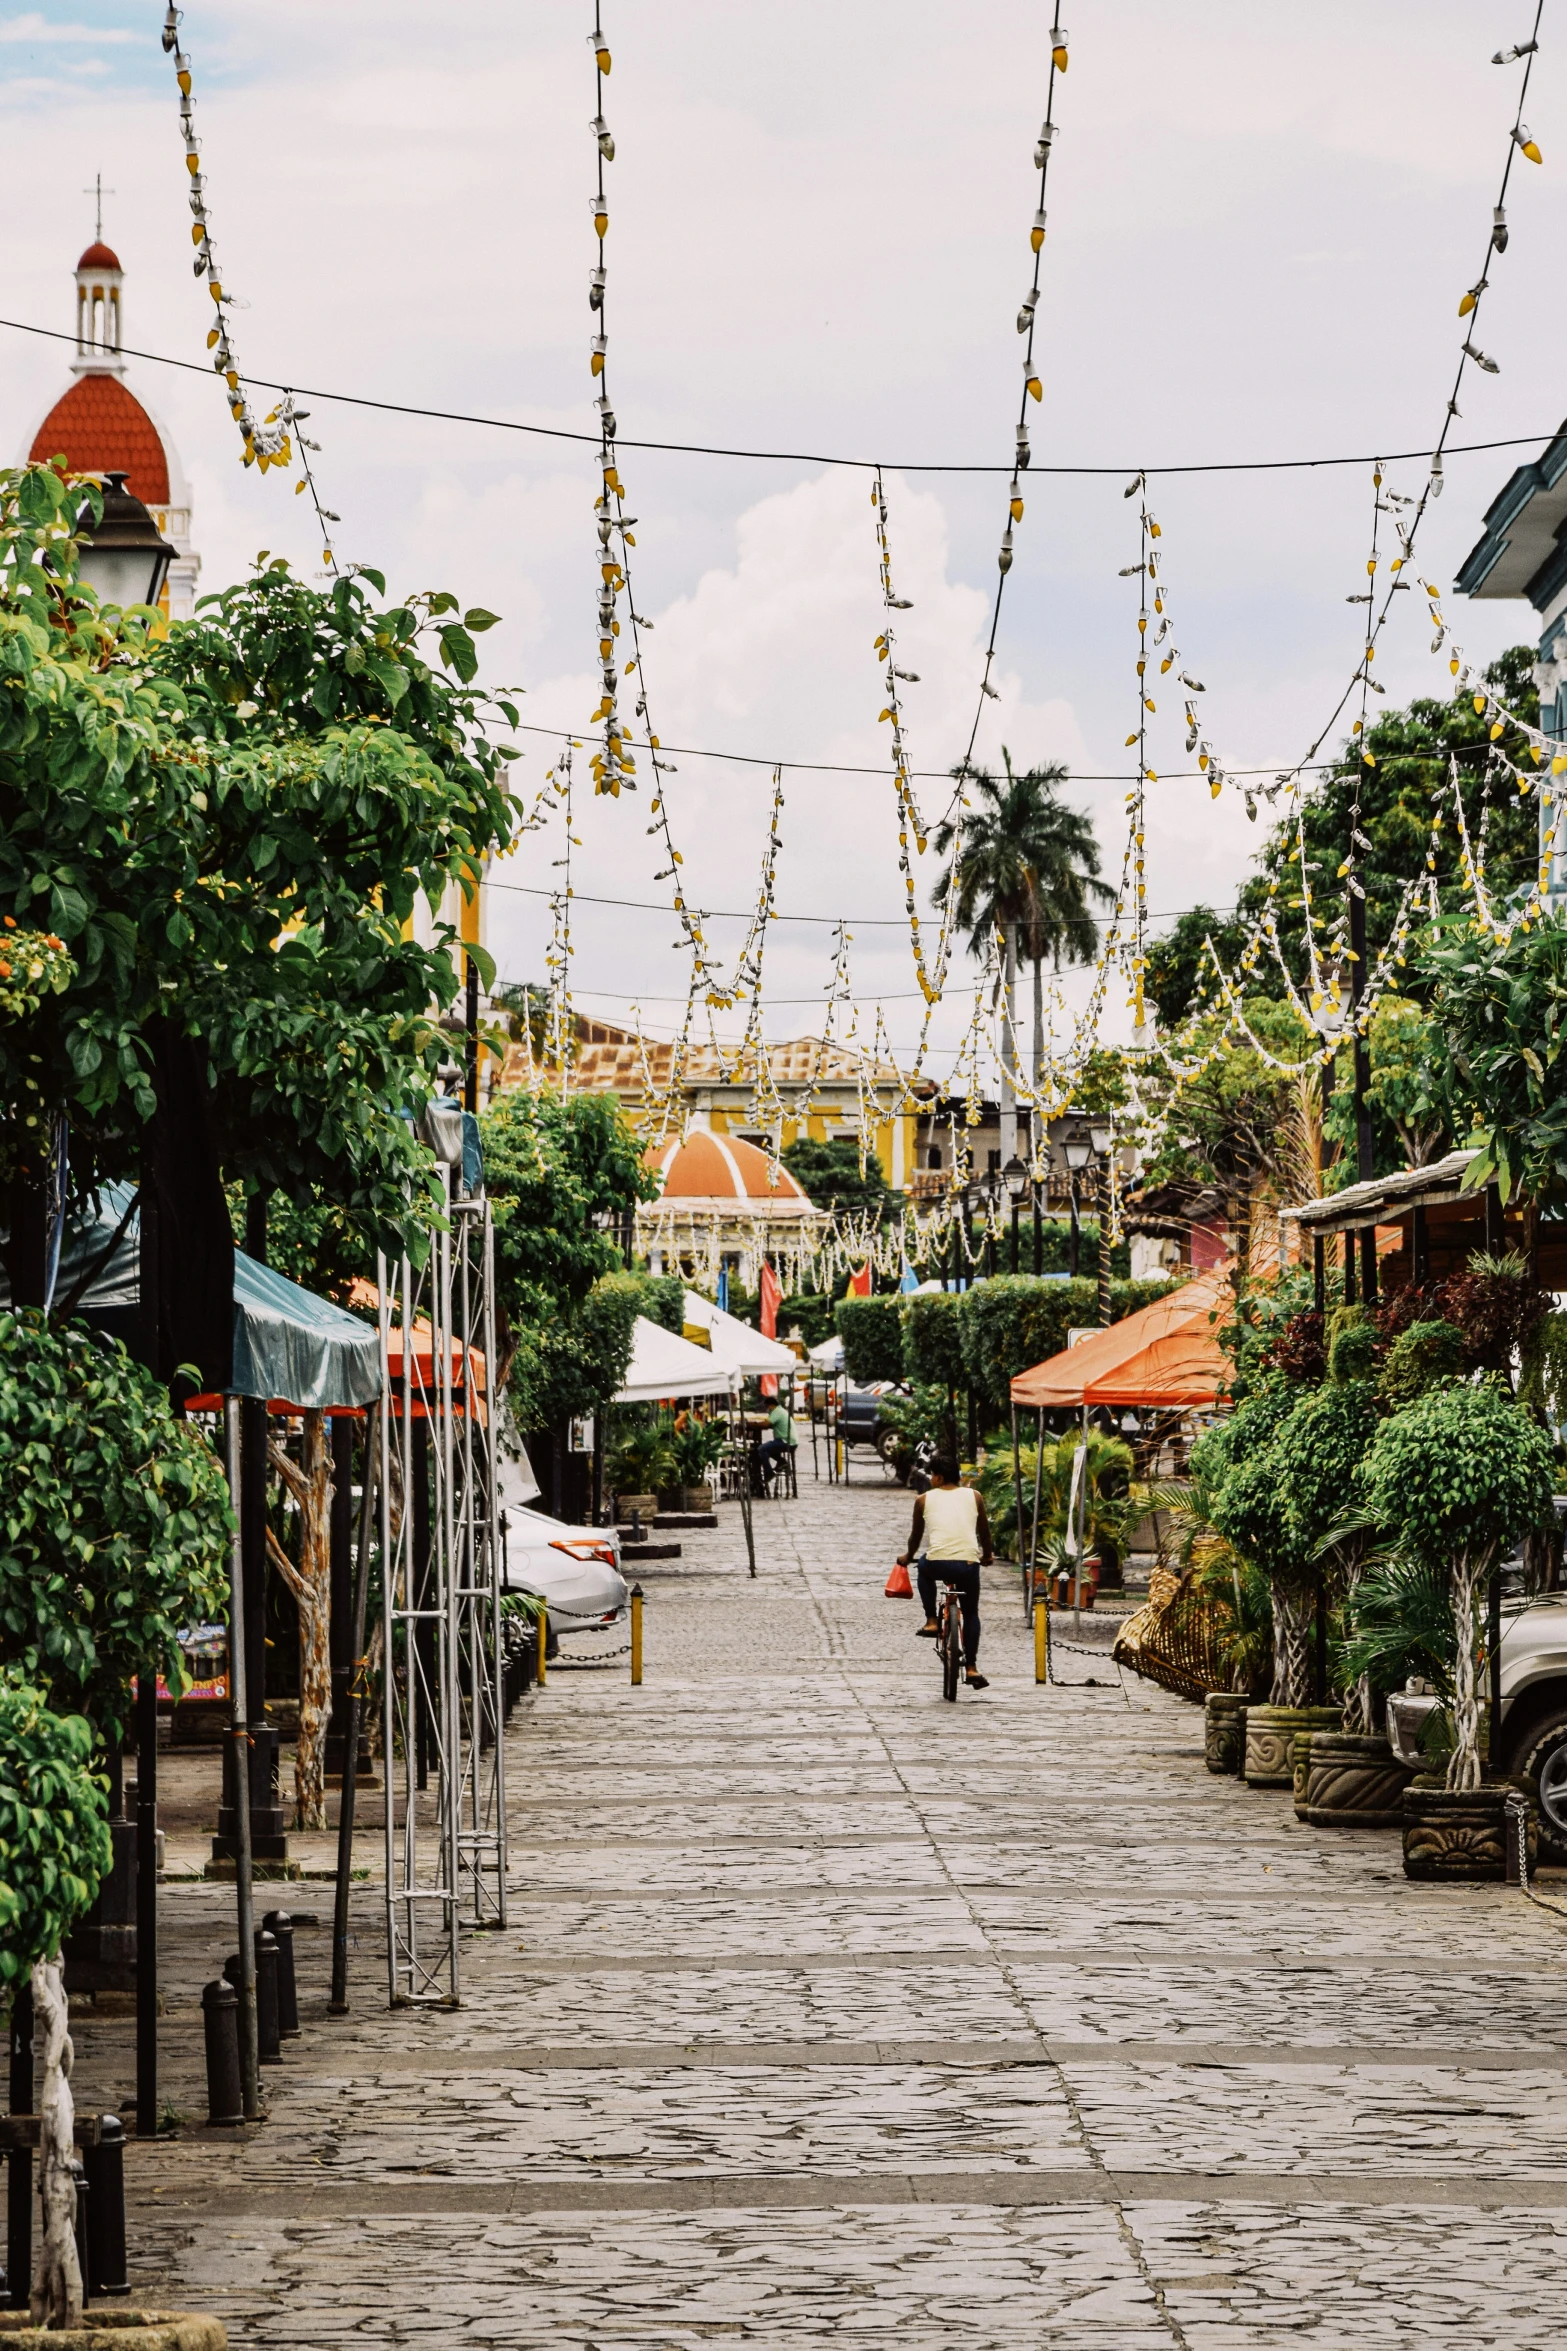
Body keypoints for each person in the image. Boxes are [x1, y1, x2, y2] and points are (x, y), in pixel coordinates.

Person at [897, 1454, 992, 1689]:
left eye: (932, 1475)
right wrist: (987, 1555)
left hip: (937, 1562)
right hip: (968, 1565)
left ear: (938, 1477)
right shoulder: (975, 1496)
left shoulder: (923, 1500)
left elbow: (916, 1537)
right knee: (971, 1613)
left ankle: (931, 1619)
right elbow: (985, 1533)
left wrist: (908, 1557)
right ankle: (971, 1667)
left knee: (923, 1567)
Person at [758, 1396, 797, 1488]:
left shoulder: (777, 1411)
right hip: (788, 1440)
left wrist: (751, 1424)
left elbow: (766, 1424)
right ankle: (782, 1462)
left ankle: (769, 1473)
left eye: (767, 1407)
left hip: (786, 1442)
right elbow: (769, 1424)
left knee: (761, 1449)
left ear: (771, 1406)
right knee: (768, 1448)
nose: (767, 1410)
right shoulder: (781, 1411)